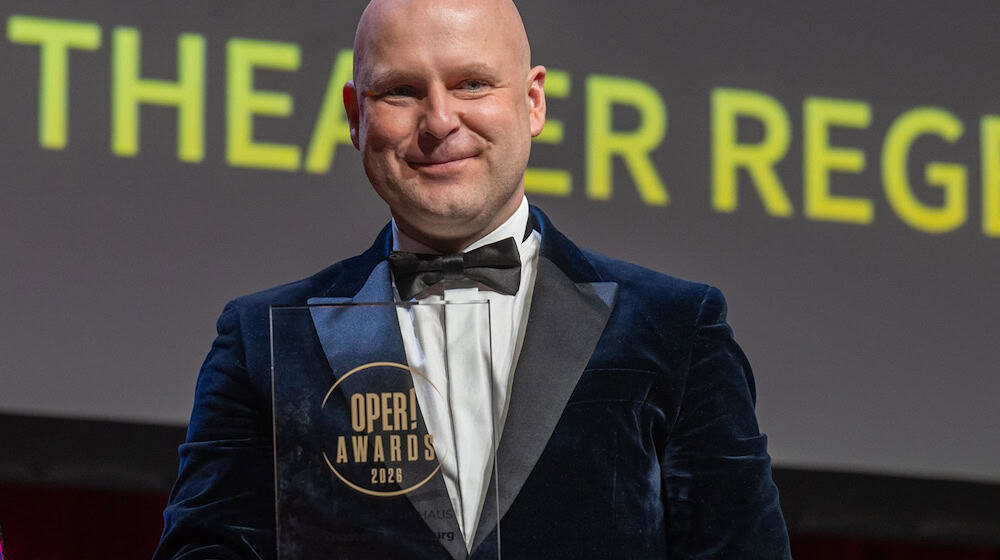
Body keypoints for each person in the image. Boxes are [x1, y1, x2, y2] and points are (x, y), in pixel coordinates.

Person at [154, 0, 791, 558]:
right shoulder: (263, 340)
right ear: (355, 115)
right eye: (400, 91)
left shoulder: (677, 328)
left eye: (472, 84)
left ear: (532, 101)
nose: (439, 121)